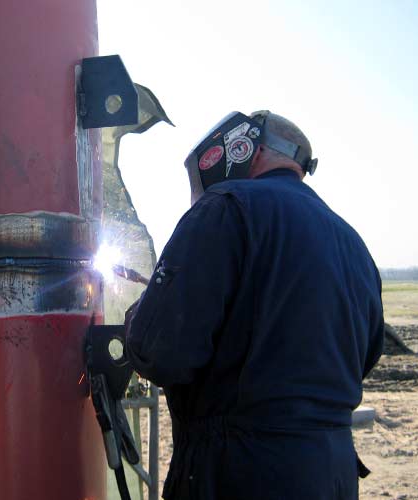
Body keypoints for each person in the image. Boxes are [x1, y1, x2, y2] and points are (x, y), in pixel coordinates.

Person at [125, 111, 385, 499]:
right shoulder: (352, 242)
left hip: (239, 472)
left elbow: (162, 353)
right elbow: (365, 356)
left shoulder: (225, 207)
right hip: (331, 471)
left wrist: (137, 317)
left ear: (251, 147)